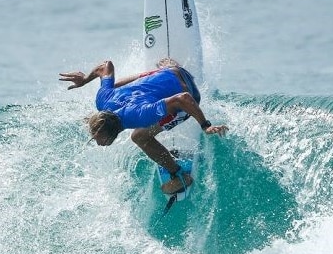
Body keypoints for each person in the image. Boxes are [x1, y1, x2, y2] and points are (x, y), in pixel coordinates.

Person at [59, 58, 228, 195]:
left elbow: (182, 99)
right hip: (169, 71)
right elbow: (106, 66)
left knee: (139, 136)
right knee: (115, 86)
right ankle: (167, 65)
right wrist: (85, 80)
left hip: (189, 92)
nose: (97, 142)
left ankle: (178, 175)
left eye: (98, 137)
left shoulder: (139, 115)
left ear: (110, 133)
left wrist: (205, 125)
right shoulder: (103, 100)